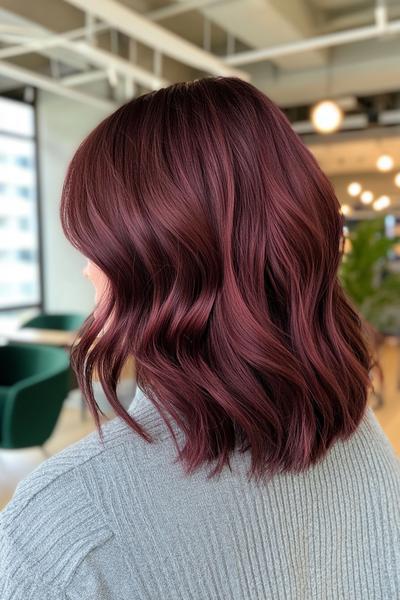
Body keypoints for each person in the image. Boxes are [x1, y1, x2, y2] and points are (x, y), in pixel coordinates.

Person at [1, 76, 399, 599]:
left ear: (151, 263)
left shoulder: (62, 525)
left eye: (95, 248)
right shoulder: (359, 436)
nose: (88, 272)